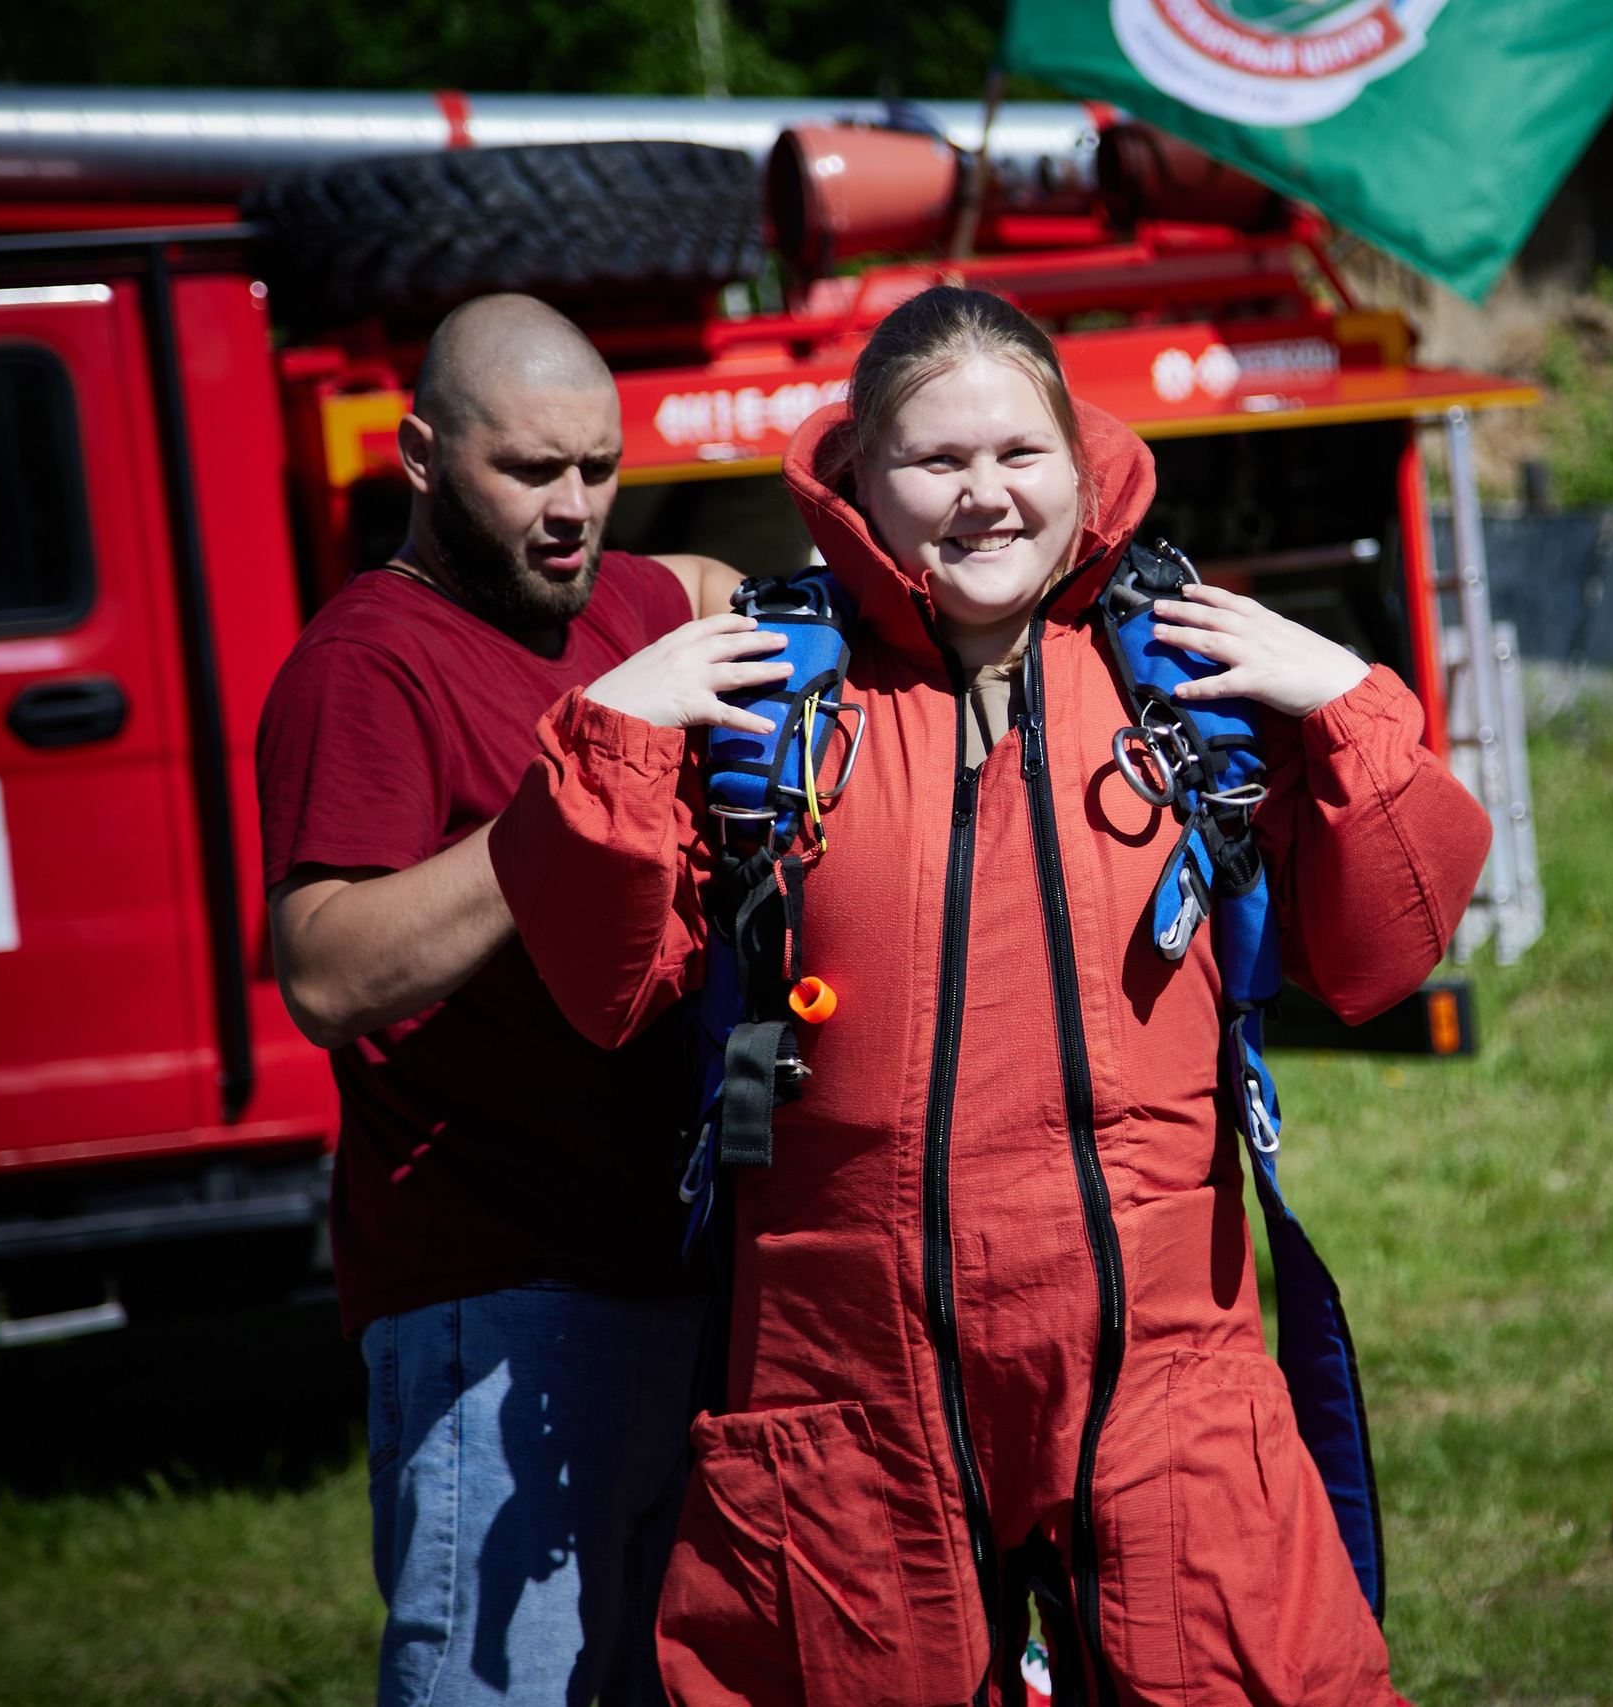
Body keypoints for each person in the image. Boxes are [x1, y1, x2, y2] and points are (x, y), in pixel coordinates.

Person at [489, 286, 1493, 1705]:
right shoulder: (769, 703)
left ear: (1080, 468)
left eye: (1018, 455)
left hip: (1165, 1384)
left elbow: (1381, 952)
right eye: (935, 463)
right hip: (843, 1401)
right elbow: (605, 990)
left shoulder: (1186, 684)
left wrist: (1344, 697)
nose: (982, 498)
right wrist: (617, 741)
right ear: (859, 483)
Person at [255, 293, 741, 1707]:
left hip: (681, 1280)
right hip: (497, 1299)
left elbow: (705, 587)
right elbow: (328, 969)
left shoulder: (625, 601)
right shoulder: (366, 666)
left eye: (598, 469)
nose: (573, 509)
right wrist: (578, 788)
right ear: (417, 455)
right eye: (530, 472)